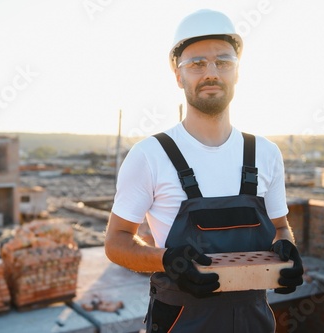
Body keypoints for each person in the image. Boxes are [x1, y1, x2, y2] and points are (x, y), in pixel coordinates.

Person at [104, 9, 304, 333]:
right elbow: (115, 243)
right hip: (180, 322)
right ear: (178, 75)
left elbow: (281, 228)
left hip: (255, 322)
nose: (211, 73)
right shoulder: (150, 155)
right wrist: (166, 260)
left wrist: (286, 251)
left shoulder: (265, 154)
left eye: (223, 62)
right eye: (197, 64)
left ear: (237, 72)